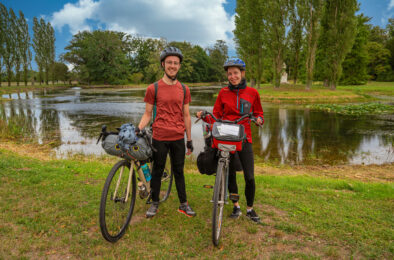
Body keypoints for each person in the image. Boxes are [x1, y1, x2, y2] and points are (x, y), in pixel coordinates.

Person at [196, 58, 264, 222]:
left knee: (249, 176)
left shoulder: (252, 93)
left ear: (242, 73)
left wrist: (259, 119)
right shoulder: (223, 93)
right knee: (231, 174)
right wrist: (204, 116)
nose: (232, 76)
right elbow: (217, 116)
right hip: (226, 136)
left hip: (244, 138)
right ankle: (236, 206)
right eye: (229, 74)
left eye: (235, 73)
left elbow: (259, 113)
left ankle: (250, 208)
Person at [136, 46, 196, 218]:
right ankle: (154, 202)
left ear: (179, 66)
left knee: (179, 171)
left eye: (176, 63)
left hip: (178, 137)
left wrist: (189, 139)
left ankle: (183, 204)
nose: (172, 65)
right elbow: (147, 114)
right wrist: (138, 129)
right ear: (163, 64)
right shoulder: (153, 88)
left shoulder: (184, 89)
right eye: (169, 62)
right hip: (159, 136)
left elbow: (186, 115)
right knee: (157, 170)